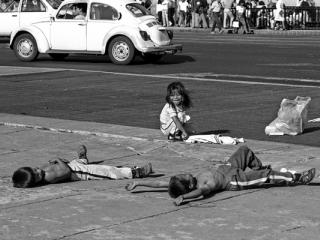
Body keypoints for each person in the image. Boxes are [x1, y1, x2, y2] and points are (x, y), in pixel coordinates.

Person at [126, 146, 317, 206]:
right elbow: (198, 194)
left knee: (244, 151)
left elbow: (161, 184)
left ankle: (258, 167)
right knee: (266, 176)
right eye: (185, 176)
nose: (185, 173)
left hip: (229, 167)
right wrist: (183, 197)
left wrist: (139, 184)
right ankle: (298, 178)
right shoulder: (204, 186)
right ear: (189, 185)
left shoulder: (185, 180)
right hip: (235, 180)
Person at [12, 145, 153, 188]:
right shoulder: (48, 177)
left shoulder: (42, 171)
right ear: (37, 182)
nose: (38, 171)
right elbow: (66, 172)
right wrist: (58, 161)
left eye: (34, 169)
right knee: (107, 171)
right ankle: (135, 173)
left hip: (74, 166)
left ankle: (82, 159)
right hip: (80, 173)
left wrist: (56, 162)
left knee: (78, 162)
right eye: (36, 175)